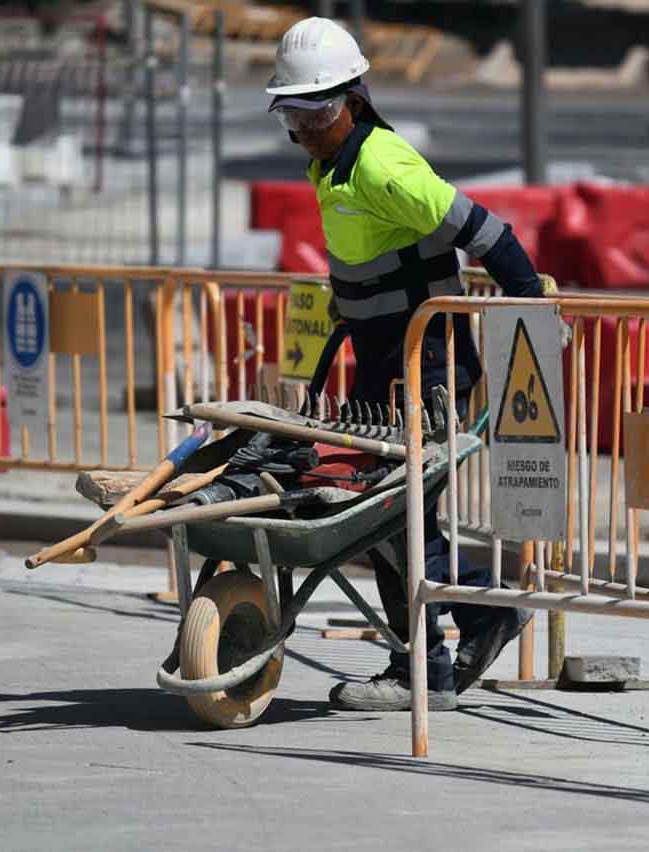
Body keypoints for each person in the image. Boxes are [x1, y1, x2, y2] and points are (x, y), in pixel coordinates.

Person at [266, 17, 540, 711]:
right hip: (379, 358)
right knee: (389, 515)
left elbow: (490, 237)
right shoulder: (334, 163)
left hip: (426, 361)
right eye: (291, 115)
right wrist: (349, 304)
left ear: (353, 101)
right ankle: (468, 629)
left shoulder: (385, 164)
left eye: (315, 112)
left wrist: (531, 313)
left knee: (393, 515)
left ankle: (432, 661)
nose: (303, 128)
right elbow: (374, 256)